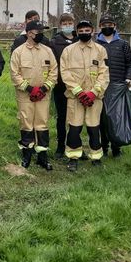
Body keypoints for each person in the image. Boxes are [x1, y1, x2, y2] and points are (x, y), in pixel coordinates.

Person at [60, 20, 109, 172]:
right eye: (81, 30)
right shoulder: (68, 51)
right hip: (75, 97)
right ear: (77, 31)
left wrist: (94, 92)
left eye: (87, 30)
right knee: (74, 128)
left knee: (94, 128)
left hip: (94, 98)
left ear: (92, 31)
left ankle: (96, 157)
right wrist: (79, 92)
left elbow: (104, 73)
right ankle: (73, 158)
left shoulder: (100, 50)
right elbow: (65, 73)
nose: (84, 33)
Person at [10, 20, 57, 171]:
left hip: (44, 95)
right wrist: (30, 89)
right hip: (25, 95)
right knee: (26, 123)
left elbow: (54, 71)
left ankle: (42, 157)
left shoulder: (47, 51)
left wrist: (44, 88)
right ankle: (27, 155)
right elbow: (14, 74)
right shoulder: (18, 52)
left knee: (42, 124)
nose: (42, 35)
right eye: (39, 32)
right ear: (30, 33)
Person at [96, 14, 131, 157]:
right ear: (100, 27)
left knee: (117, 119)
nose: (107, 27)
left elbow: (130, 63)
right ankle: (104, 147)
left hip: (118, 86)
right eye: (104, 24)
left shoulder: (123, 44)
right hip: (101, 87)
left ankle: (116, 148)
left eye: (110, 24)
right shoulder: (96, 44)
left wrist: (129, 78)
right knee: (102, 119)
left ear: (115, 26)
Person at [49, 13, 78, 159]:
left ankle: (75, 144)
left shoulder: (80, 40)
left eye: (70, 22)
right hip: (61, 86)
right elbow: (53, 65)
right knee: (61, 117)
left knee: (77, 118)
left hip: (78, 87)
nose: (67, 25)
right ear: (61, 25)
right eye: (65, 23)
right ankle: (60, 146)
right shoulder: (55, 42)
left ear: (74, 23)